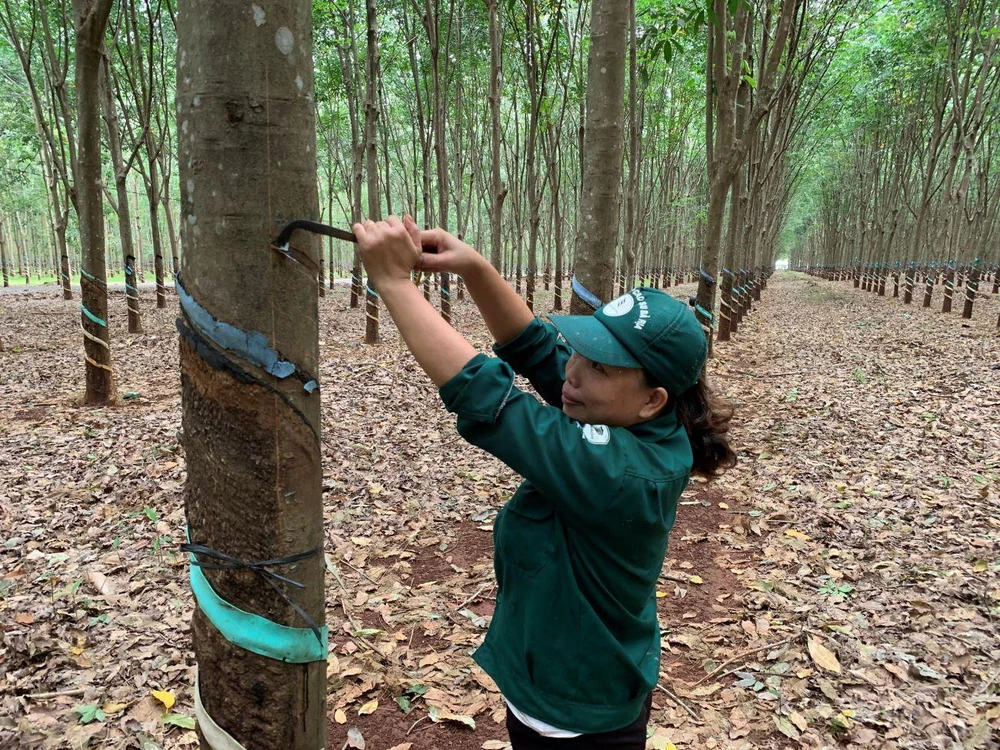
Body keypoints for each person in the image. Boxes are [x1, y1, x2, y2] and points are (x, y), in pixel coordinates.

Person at [353, 215, 737, 749]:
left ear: (654, 399)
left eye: (600, 367)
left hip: (577, 716)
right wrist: (475, 267)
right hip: (558, 685)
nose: (574, 372)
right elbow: (536, 347)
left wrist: (394, 284)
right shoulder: (635, 412)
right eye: (582, 347)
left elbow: (494, 402)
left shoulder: (620, 472)